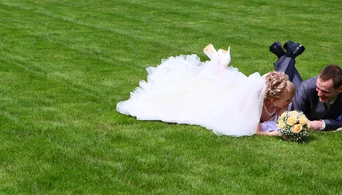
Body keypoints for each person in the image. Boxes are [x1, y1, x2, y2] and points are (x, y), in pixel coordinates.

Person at [116, 44, 294, 137]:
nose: (290, 103)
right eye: (287, 100)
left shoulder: (280, 103)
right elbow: (256, 132)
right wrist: (278, 134)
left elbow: (283, 119)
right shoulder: (254, 101)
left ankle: (220, 68)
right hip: (225, 103)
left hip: (237, 94)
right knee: (196, 101)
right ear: (273, 97)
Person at [270, 41, 342, 131]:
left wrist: (322, 124)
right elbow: (296, 118)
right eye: (318, 88)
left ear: (340, 89)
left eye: (325, 91)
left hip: (307, 94)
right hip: (302, 93)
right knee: (281, 83)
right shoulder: (308, 87)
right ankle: (289, 56)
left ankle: (285, 55)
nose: (319, 94)